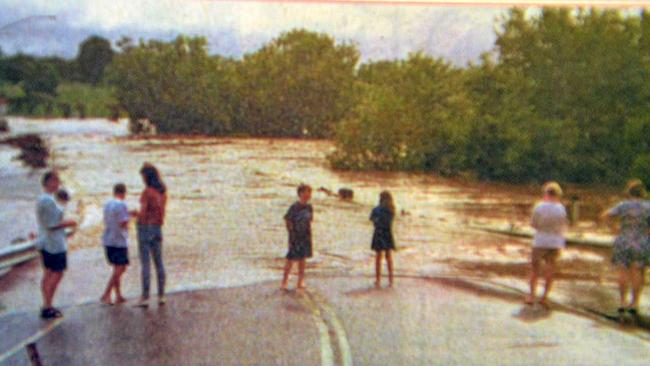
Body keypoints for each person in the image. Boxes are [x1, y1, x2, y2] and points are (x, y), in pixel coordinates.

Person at [601, 179, 650, 318]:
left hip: (623, 240)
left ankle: (622, 302)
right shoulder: (648, 206)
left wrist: (614, 228)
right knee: (638, 272)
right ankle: (635, 303)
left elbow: (605, 216)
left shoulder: (623, 205)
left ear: (629, 192)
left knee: (623, 271)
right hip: (641, 241)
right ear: (643, 193)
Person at [35, 171, 77, 319]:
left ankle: (46, 304)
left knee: (47, 273)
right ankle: (48, 305)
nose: (58, 184)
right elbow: (53, 224)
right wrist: (70, 222)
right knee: (57, 272)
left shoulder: (43, 199)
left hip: (45, 241)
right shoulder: (48, 201)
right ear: (50, 182)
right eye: (56, 181)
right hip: (54, 243)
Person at [525, 181, 567, 305]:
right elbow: (562, 225)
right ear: (558, 194)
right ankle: (544, 297)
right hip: (556, 241)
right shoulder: (561, 208)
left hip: (540, 240)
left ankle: (531, 296)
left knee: (534, 269)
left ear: (546, 193)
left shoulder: (539, 206)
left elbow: (533, 224)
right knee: (550, 269)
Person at [135, 163, 167, 307]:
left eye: (143, 176)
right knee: (159, 262)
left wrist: (135, 216)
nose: (142, 179)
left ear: (147, 176)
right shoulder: (162, 192)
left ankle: (145, 297)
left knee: (146, 263)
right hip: (157, 227)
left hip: (145, 227)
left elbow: (143, 213)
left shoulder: (147, 192)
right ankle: (161, 295)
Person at [100, 183, 132, 305]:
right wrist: (131, 218)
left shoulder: (107, 204)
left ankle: (118, 295)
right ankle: (107, 293)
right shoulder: (122, 204)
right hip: (119, 240)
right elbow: (123, 222)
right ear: (124, 193)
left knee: (116, 268)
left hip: (108, 239)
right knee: (121, 268)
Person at [281, 184, 313, 290]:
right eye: (305, 192)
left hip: (305, 235)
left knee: (303, 258)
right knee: (290, 259)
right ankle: (284, 281)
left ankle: (300, 281)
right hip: (295, 235)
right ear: (300, 194)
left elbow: (309, 221)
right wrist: (291, 232)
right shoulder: (294, 207)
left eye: (309, 192)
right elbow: (287, 219)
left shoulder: (309, 207)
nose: (307, 195)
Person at [370, 191, 396, 288]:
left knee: (378, 257)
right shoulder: (391, 210)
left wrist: (376, 221)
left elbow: (372, 219)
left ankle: (378, 279)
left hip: (378, 233)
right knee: (388, 257)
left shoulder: (377, 209)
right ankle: (390, 279)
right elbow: (389, 221)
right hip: (387, 233)